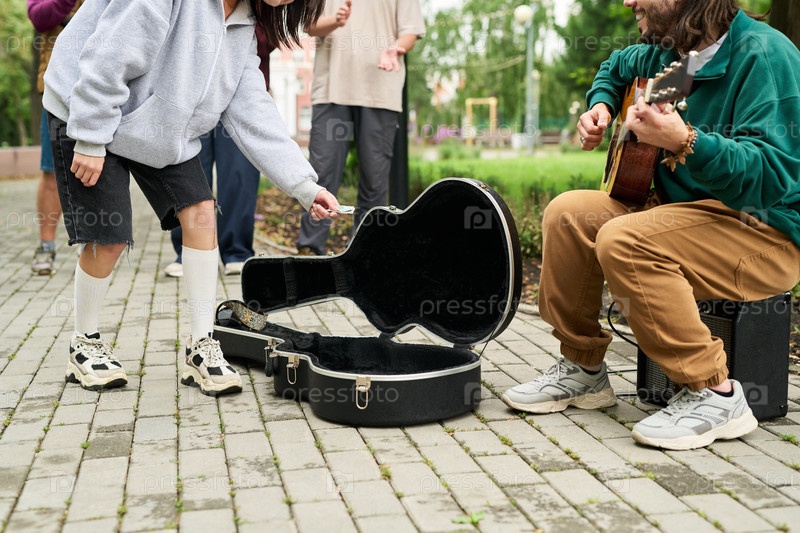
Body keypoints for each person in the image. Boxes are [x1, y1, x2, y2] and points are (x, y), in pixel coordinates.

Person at [501, 0, 800, 451]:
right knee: (567, 214)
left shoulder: (765, 56)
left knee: (625, 240)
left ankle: (715, 393)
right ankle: (583, 369)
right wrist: (601, 106)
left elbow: (772, 177)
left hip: (763, 230)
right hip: (680, 216)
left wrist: (685, 141)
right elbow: (615, 67)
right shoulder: (673, 56)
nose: (628, 1)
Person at [43, 0, 339, 396]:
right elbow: (111, 52)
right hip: (86, 106)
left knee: (201, 212)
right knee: (109, 236)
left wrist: (305, 185)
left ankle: (201, 345)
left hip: (158, 129)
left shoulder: (243, 24)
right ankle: (84, 343)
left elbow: (253, 110)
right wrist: (91, 134)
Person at [295, 0, 426, 256]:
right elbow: (309, 24)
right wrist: (335, 21)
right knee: (321, 173)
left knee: (374, 181)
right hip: (331, 90)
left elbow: (410, 31)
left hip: (379, 89)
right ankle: (309, 249)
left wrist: (395, 49)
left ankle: (365, 254)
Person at [165, 28, 275, 279]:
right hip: (192, 92)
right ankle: (188, 250)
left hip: (241, 90)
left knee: (239, 174)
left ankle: (237, 251)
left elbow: (273, 34)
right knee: (188, 173)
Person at [27, 0, 84, 275]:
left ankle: (95, 243)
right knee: (51, 172)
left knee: (103, 171)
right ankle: (46, 246)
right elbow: (38, 16)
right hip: (56, 87)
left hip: (103, 86)